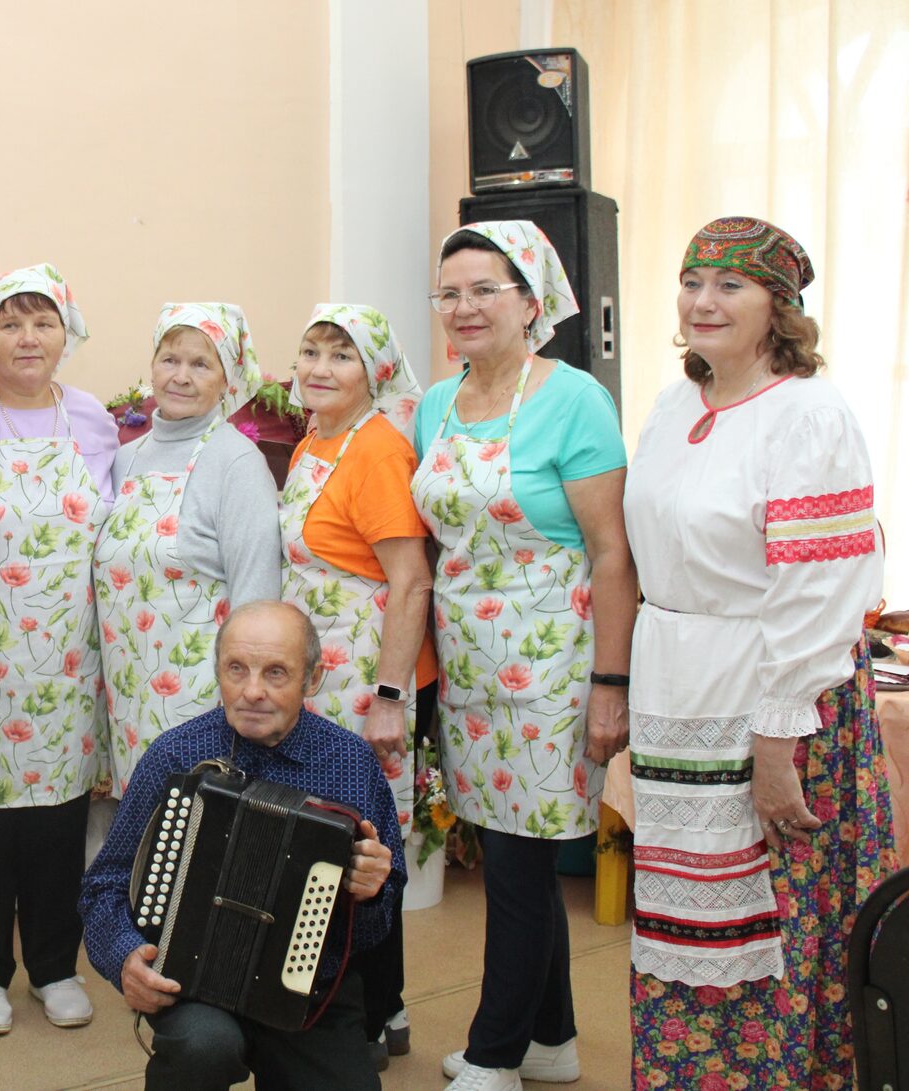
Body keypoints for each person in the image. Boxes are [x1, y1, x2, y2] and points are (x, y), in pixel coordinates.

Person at [623, 216, 895, 1088]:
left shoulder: (810, 414)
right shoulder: (675, 404)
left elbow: (822, 590)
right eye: (692, 280)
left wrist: (778, 738)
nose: (703, 301)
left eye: (730, 285)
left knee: (777, 920)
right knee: (680, 916)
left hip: (777, 698)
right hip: (679, 687)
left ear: (779, 306)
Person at [410, 221, 637, 1091]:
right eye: (449, 292)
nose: (463, 307)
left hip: (553, 667)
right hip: (471, 667)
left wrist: (609, 683)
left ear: (531, 300)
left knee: (515, 863)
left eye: (484, 290)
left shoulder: (575, 399)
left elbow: (612, 554)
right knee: (519, 855)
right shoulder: (436, 403)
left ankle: (495, 1053)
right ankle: (551, 1037)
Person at [78, 600, 402, 1090]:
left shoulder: (351, 763)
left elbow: (376, 927)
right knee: (202, 1048)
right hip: (193, 987)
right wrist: (124, 958)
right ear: (218, 672)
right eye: (236, 669)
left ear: (312, 679)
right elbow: (104, 884)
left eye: (276, 673)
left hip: (306, 990)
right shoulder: (177, 755)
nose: (252, 691)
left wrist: (371, 892)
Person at [0, 263, 118, 1036]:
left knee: (57, 825)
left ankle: (55, 966)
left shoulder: (93, 420)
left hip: (66, 665)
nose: (28, 337)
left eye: (43, 321)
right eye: (10, 322)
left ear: (67, 333)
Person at [280, 303, 435, 1064]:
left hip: (367, 672)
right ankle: (351, 1000)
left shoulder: (375, 448)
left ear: (374, 372)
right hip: (321, 668)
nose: (320, 368)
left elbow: (411, 581)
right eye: (311, 350)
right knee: (330, 836)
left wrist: (390, 697)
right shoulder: (315, 440)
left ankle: (377, 1010)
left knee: (368, 844)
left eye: (341, 355)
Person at [94, 302, 280, 798]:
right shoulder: (125, 458)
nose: (181, 376)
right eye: (170, 359)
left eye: (201, 364)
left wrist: (243, 700)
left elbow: (257, 598)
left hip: (202, 701)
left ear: (227, 380)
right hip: (127, 693)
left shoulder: (238, 463)